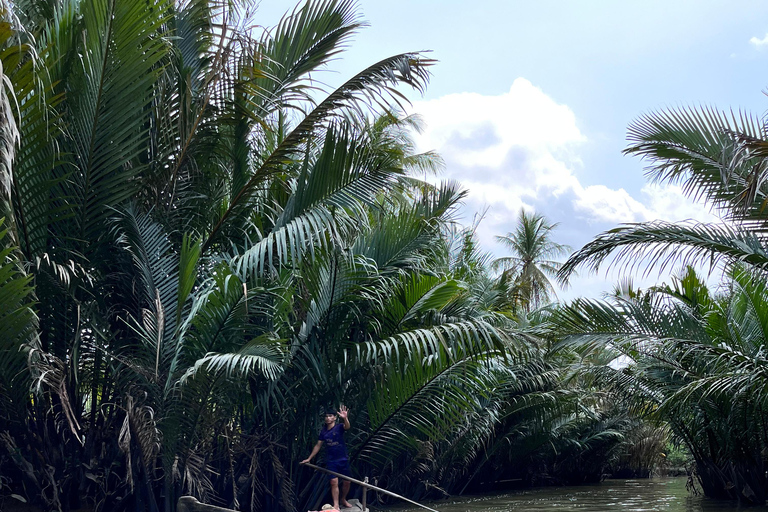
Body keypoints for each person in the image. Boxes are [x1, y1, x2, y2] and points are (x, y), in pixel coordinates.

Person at [302, 405, 352, 511]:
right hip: (331, 461)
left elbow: (347, 427)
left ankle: (343, 499)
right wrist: (309, 458)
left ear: (334, 418)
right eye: (326, 416)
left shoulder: (339, 427)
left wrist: (345, 418)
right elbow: (318, 445)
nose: (327, 418)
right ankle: (336, 504)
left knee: (347, 482)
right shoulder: (323, 431)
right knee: (333, 482)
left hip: (343, 459)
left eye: (330, 416)